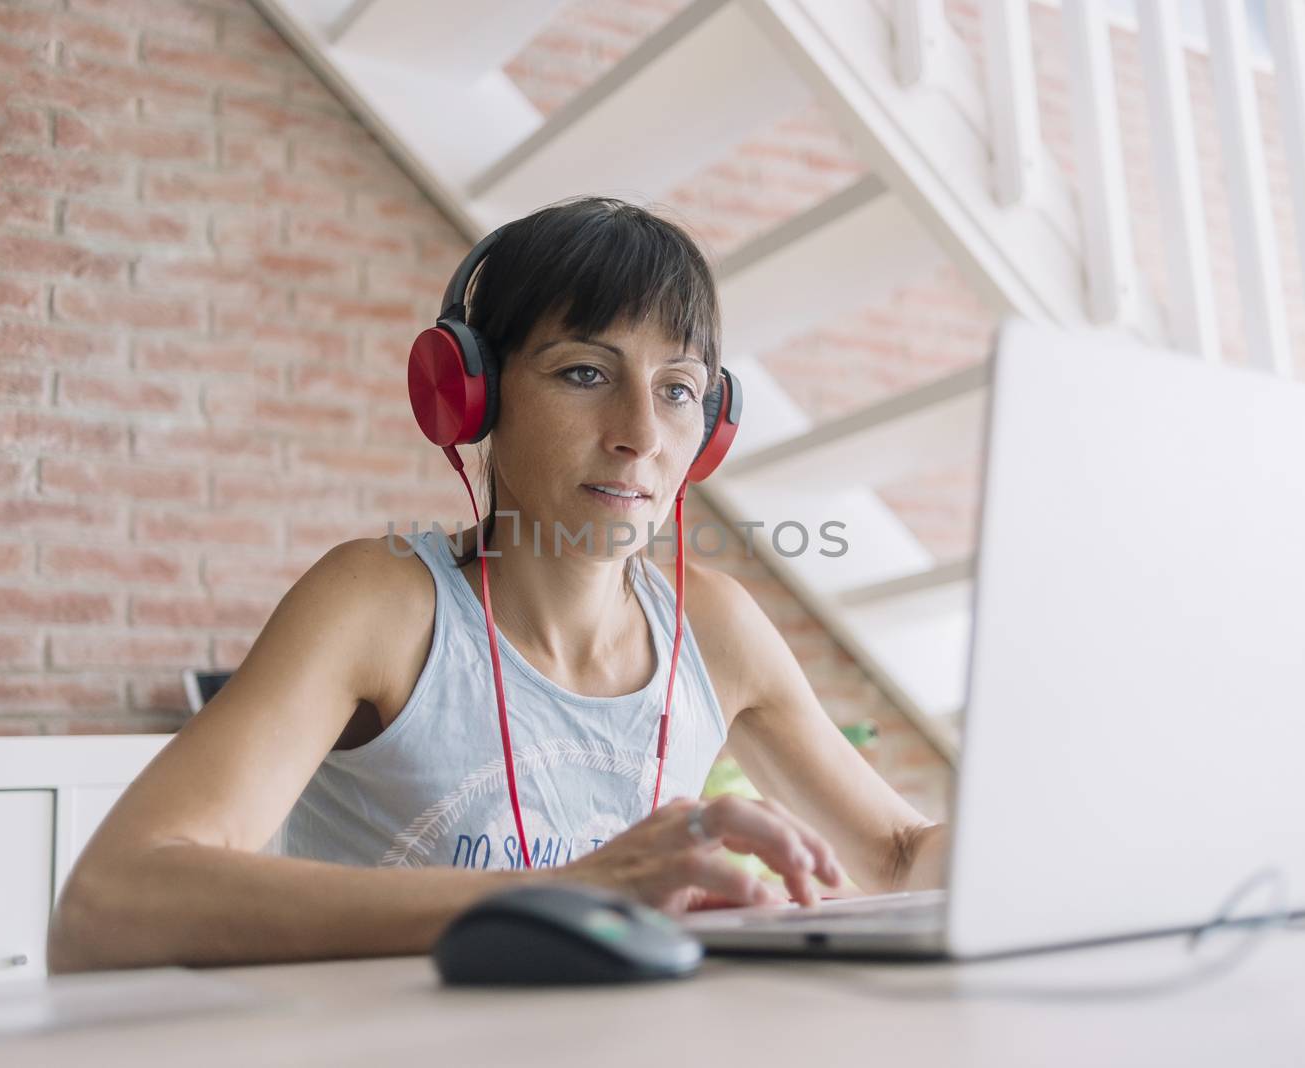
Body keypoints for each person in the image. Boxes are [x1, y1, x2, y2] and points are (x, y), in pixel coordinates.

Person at [47, 197, 946, 972]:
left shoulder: (714, 627)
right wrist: (563, 892)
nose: (641, 432)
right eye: (585, 373)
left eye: (678, 390)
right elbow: (110, 903)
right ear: (469, 397)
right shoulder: (379, 603)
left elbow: (902, 855)